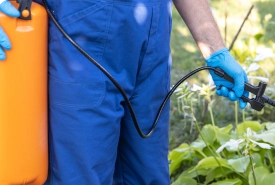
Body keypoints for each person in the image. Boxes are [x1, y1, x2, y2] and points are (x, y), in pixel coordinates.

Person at [0, 0, 248, 184]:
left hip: (153, 29)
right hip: (82, 27)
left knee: (147, 173)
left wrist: (215, 49)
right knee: (80, 174)